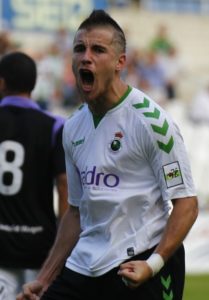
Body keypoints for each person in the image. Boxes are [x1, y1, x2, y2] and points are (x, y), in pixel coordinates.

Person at [17, 10, 198, 300]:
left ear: (120, 62)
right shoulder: (73, 127)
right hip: (85, 263)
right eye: (79, 49)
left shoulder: (152, 123)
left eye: (98, 49)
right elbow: (75, 212)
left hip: (139, 261)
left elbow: (186, 203)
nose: (86, 57)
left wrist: (153, 265)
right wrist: (45, 277)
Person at [0, 51, 68, 299]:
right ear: (34, 84)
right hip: (41, 248)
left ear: (1, 82)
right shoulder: (55, 126)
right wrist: (63, 244)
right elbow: (64, 187)